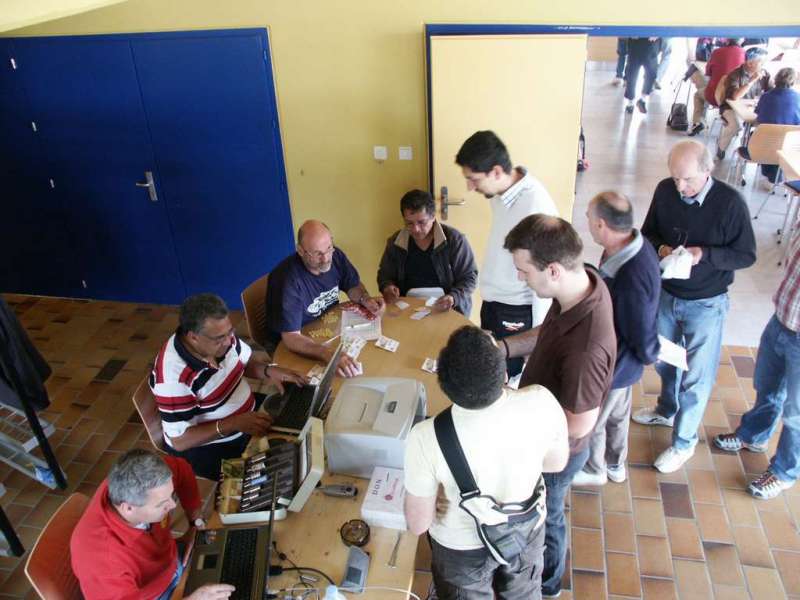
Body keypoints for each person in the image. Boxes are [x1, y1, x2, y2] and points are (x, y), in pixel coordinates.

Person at [404, 326, 569, 599]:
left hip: (460, 550)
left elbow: (418, 524)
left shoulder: (424, 437)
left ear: (444, 386)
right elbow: (555, 463)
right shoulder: (541, 400)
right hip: (525, 529)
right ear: (504, 375)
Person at [500, 215, 616, 598]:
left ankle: (547, 586)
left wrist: (510, 414)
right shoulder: (577, 286)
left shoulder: (586, 349)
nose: (521, 279)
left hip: (556, 456)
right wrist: (502, 348)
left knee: (546, 521)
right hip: (541, 429)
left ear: (551, 269)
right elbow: (546, 333)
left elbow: (577, 426)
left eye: (523, 271)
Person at [634, 140, 756, 473]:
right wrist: (662, 251)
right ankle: (666, 408)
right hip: (667, 294)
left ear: (708, 169)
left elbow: (746, 254)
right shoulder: (665, 191)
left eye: (687, 179)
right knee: (665, 361)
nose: (680, 187)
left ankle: (683, 442)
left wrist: (705, 254)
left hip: (707, 302)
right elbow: (648, 235)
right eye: (675, 178)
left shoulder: (731, 204)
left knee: (697, 378)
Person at [150, 293, 306, 479]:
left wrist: (269, 371)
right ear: (193, 337)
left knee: (305, 419)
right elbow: (180, 441)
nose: (229, 341)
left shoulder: (221, 337)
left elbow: (243, 362)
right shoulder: (173, 379)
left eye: (230, 332)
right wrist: (233, 423)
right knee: (272, 479)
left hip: (246, 415)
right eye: (219, 338)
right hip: (214, 446)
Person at [572, 192, 661, 487]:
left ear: (601, 224)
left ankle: (595, 469)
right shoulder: (630, 244)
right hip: (625, 363)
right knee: (618, 414)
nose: (586, 221)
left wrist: (650, 354)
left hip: (616, 362)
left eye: (588, 216)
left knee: (594, 419)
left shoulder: (632, 273)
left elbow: (640, 325)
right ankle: (616, 463)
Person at [455, 130, 558, 377]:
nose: (470, 187)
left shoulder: (535, 207)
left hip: (516, 309)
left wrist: (538, 336)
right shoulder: (500, 194)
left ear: (497, 172)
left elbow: (546, 277)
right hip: (494, 303)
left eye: (474, 179)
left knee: (504, 374)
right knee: (490, 365)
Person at [71, 449, 234, 600]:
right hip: (154, 594)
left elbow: (181, 469)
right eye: (162, 503)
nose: (172, 505)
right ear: (128, 508)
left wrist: (195, 523)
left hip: (172, 560)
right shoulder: (103, 562)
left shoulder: (141, 479)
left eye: (171, 495)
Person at [712, 231, 800, 499]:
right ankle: (754, 435)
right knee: (767, 385)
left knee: (796, 414)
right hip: (781, 319)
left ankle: (784, 471)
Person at [265, 219, 385, 377]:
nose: (326, 258)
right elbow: (291, 337)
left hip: (326, 328)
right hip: (294, 342)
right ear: (300, 251)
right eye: (317, 254)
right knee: (330, 378)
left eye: (329, 248)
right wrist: (329, 354)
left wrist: (365, 299)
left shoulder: (335, 255)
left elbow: (352, 285)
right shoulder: (287, 281)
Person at [377, 189, 478, 315]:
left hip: (447, 306)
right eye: (409, 223)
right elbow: (384, 275)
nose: (416, 229)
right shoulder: (396, 242)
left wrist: (453, 297)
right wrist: (387, 287)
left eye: (421, 222)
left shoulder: (454, 240)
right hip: (408, 306)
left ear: (433, 217)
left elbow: (469, 277)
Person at [737, 67, 800, 183]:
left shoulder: (766, 96)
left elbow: (758, 115)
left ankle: (767, 174)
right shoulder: (798, 98)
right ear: (793, 82)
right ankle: (774, 177)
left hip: (761, 148)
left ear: (775, 79)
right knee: (776, 139)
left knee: (754, 135)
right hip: (788, 149)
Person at [716, 46, 770, 160]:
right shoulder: (734, 75)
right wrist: (752, 81)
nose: (763, 65)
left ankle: (750, 152)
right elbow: (735, 97)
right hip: (730, 108)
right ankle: (721, 146)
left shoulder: (764, 74)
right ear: (750, 63)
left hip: (750, 109)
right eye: (761, 62)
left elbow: (772, 91)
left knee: (767, 125)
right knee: (736, 125)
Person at [688, 39, 745, 137]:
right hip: (734, 98)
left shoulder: (717, 52)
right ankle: (730, 123)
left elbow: (708, 72)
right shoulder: (743, 53)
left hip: (715, 96)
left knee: (698, 95)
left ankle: (698, 122)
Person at [623, 37, 661, 114]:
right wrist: (631, 33)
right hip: (635, 42)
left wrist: (657, 34)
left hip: (652, 43)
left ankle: (642, 100)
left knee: (651, 73)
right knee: (632, 74)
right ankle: (630, 102)